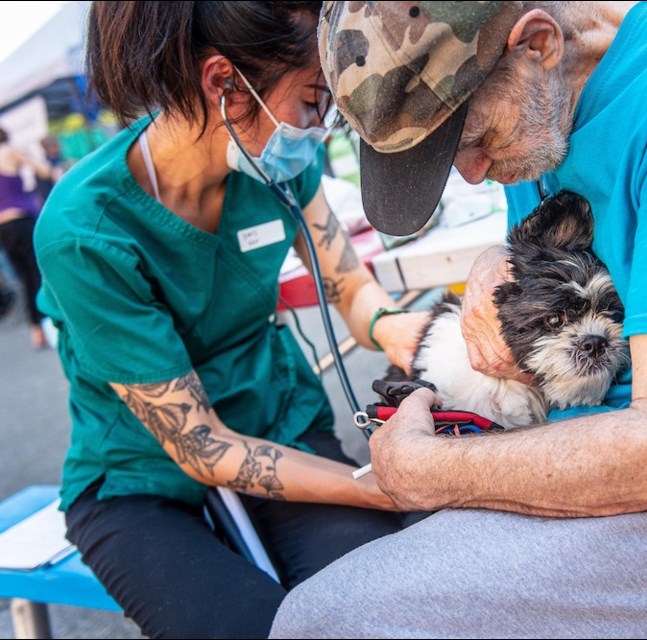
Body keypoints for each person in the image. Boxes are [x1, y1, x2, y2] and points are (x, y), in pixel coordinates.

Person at [270, 2, 647, 638]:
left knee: (327, 622)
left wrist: (428, 473)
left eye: (471, 139)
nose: (472, 172)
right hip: (609, 453)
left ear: (537, 43)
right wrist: (494, 261)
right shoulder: (538, 106)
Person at [33, 2, 429, 638]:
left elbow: (348, 282)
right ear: (224, 84)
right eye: (311, 102)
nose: (320, 127)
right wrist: (375, 485)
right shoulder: (85, 232)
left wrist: (394, 328)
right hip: (142, 481)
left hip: (283, 426)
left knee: (382, 604)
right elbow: (200, 446)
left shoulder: (278, 166)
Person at [0, 126, 53, 349]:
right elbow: (44, 171)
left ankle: (36, 330)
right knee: (37, 273)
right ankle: (47, 325)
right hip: (21, 221)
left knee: (24, 277)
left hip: (3, 229)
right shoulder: (9, 151)